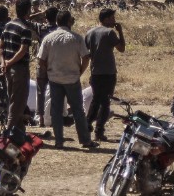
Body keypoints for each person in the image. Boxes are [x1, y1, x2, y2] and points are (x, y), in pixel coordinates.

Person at [37, 10, 97, 149]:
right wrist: (80, 71)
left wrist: (49, 71)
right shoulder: (76, 38)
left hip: (55, 78)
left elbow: (41, 59)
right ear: (70, 21)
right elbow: (86, 57)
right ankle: (85, 140)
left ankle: (59, 141)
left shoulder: (49, 38)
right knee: (77, 110)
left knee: (56, 111)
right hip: (72, 78)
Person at [84, 8, 126, 142]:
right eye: (112, 18)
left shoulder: (89, 33)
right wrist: (120, 31)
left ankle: (86, 125)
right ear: (106, 19)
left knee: (96, 100)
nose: (114, 20)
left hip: (95, 72)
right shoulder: (110, 33)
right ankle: (99, 131)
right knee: (105, 102)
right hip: (108, 72)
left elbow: (86, 54)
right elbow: (121, 48)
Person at [0, 0, 35, 131]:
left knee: (12, 98)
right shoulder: (25, 29)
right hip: (19, 69)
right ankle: (10, 131)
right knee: (18, 102)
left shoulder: (8, 25)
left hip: (8, 68)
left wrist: (3, 62)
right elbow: (23, 50)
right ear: (28, 11)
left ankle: (18, 130)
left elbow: (0, 46)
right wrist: (10, 61)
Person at [35, 7, 59, 127]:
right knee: (55, 91)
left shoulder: (41, 28)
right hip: (56, 63)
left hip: (42, 62)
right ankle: (54, 116)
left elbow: (26, 20)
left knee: (41, 91)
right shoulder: (60, 30)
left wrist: (41, 13)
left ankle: (41, 119)